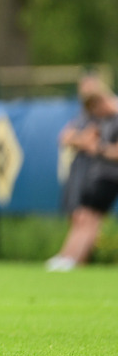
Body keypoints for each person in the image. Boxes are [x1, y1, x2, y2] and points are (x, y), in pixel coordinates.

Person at [46, 87, 118, 271]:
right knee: (85, 217)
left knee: (89, 218)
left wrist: (99, 149)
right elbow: (68, 137)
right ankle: (70, 257)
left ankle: (73, 259)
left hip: (109, 177)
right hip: (100, 176)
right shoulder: (102, 118)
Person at [57, 73, 110, 216]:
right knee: (76, 215)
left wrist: (77, 139)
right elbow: (63, 137)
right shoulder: (82, 114)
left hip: (95, 172)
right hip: (79, 170)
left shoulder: (102, 113)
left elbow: (91, 141)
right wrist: (79, 139)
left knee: (87, 218)